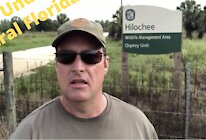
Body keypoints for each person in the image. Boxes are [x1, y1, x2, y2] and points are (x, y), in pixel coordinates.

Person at [10, 18, 158, 139]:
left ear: (105, 64)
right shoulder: (29, 132)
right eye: (66, 57)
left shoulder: (138, 127)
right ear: (56, 64)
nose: (78, 67)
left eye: (91, 57)